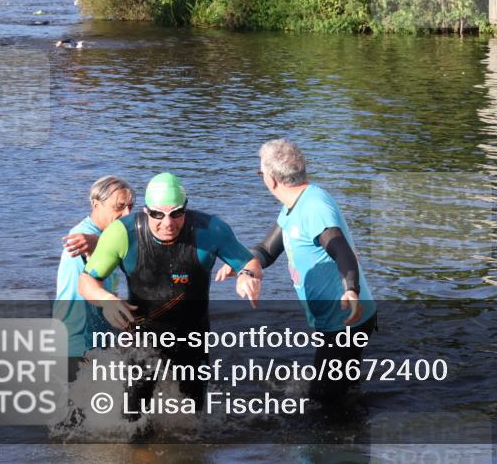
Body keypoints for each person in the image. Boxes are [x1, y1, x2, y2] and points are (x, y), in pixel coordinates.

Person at [78, 172, 260, 409]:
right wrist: (106, 299)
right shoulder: (123, 233)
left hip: (192, 334)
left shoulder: (210, 229)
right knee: (132, 415)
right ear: (145, 211)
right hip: (141, 334)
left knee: (193, 417)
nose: (168, 223)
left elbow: (250, 263)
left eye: (176, 213)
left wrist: (247, 276)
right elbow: (86, 282)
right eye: (157, 215)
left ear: (185, 209)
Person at [219, 139, 377, 400]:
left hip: (346, 321)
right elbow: (267, 251)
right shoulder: (296, 205)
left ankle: (341, 437)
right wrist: (244, 266)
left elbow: (342, 250)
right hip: (338, 321)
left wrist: (351, 290)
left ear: (270, 179)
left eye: (260, 173)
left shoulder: (314, 208)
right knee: (340, 394)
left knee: (323, 405)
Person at [54, 176, 135, 382]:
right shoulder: (81, 237)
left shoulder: (111, 235)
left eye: (130, 207)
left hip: (98, 336)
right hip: (76, 338)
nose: (126, 213)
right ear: (96, 204)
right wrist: (96, 243)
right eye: (119, 207)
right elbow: (91, 252)